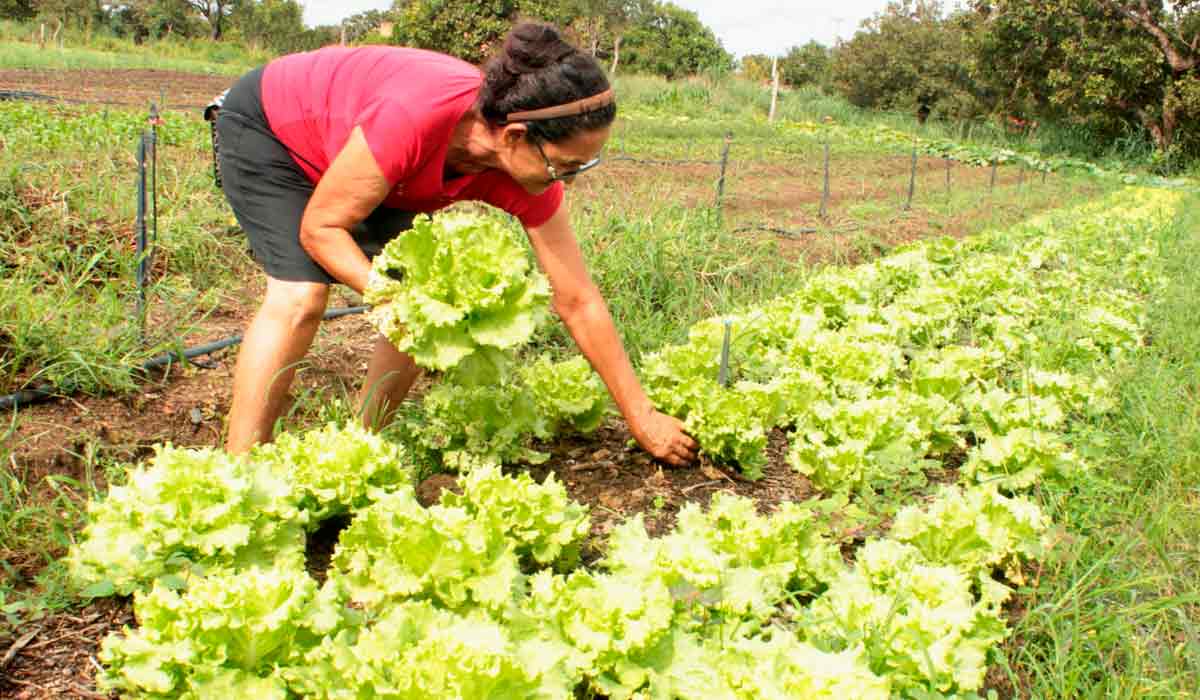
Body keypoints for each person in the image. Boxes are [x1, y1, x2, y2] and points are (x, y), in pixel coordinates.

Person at [214, 21, 698, 467]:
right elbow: (320, 229)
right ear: (514, 136)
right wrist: (396, 298)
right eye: (565, 166)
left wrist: (642, 416)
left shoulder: (525, 174)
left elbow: (577, 298)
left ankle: (359, 451)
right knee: (301, 294)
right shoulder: (415, 117)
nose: (567, 183)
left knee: (425, 306)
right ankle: (241, 467)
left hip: (377, 161)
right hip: (277, 129)